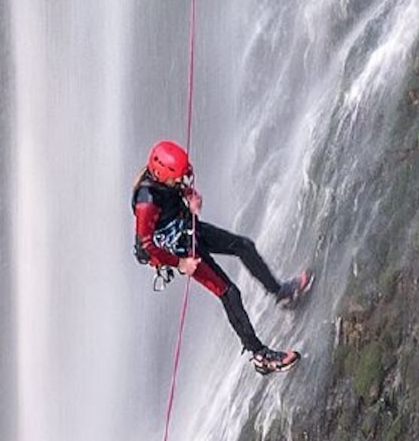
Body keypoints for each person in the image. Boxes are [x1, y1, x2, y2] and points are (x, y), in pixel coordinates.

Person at [132, 138, 310, 373]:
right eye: (179, 177)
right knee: (229, 293)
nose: (182, 180)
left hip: (189, 230)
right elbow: (145, 246)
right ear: (162, 173)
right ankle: (260, 356)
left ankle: (282, 293)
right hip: (181, 250)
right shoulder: (147, 202)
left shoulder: (165, 183)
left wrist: (191, 195)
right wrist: (180, 263)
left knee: (243, 246)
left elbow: (178, 188)